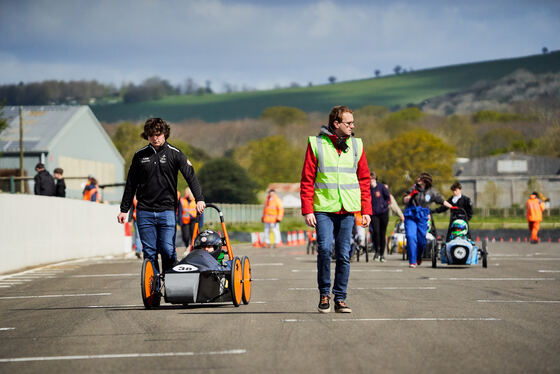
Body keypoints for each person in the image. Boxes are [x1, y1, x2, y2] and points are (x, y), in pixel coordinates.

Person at [300, 105, 372, 314]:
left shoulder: (357, 145)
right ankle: (324, 294)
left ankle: (340, 298)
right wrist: (307, 210)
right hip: (323, 208)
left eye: (353, 122)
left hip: (348, 208)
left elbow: (364, 179)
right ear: (336, 124)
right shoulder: (316, 144)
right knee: (323, 248)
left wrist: (366, 210)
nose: (352, 126)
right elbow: (307, 180)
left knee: (343, 254)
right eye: (348, 123)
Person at [117, 117, 206, 274]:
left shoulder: (175, 154)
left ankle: (171, 281)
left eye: (158, 134)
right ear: (147, 136)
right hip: (144, 211)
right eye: (151, 135)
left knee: (167, 249)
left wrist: (199, 199)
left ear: (165, 134)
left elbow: (190, 176)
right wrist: (124, 209)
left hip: (167, 210)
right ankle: (154, 291)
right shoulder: (139, 156)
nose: (155, 138)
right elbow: (130, 184)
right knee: (149, 253)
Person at [402, 172, 452, 268]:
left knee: (421, 241)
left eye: (420, 179)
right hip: (411, 214)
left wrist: (452, 206)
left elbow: (441, 200)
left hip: (422, 216)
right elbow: (404, 200)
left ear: (425, 181)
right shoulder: (413, 188)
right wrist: (410, 195)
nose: (418, 180)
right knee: (411, 236)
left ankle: (418, 256)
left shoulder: (431, 192)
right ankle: (412, 261)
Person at [369, 172, 391, 262]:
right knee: (375, 233)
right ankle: (376, 252)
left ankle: (382, 254)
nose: (371, 181)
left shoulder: (381, 187)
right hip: (374, 214)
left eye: (372, 179)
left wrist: (383, 205)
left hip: (383, 213)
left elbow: (388, 198)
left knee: (382, 233)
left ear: (375, 179)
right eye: (369, 179)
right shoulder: (368, 189)